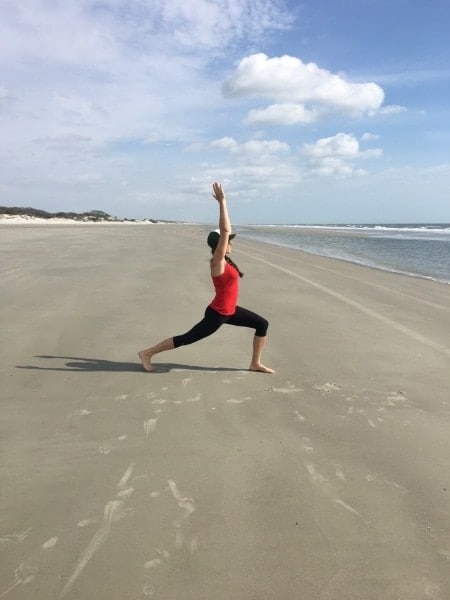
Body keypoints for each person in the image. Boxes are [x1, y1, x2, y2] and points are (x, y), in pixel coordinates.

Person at [138, 182, 274, 373]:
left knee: (262, 324)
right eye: (228, 242)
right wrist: (222, 203)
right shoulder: (218, 262)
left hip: (230, 311)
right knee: (186, 339)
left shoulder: (226, 261)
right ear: (221, 245)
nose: (231, 243)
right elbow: (225, 231)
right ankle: (147, 353)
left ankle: (255, 363)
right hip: (218, 314)